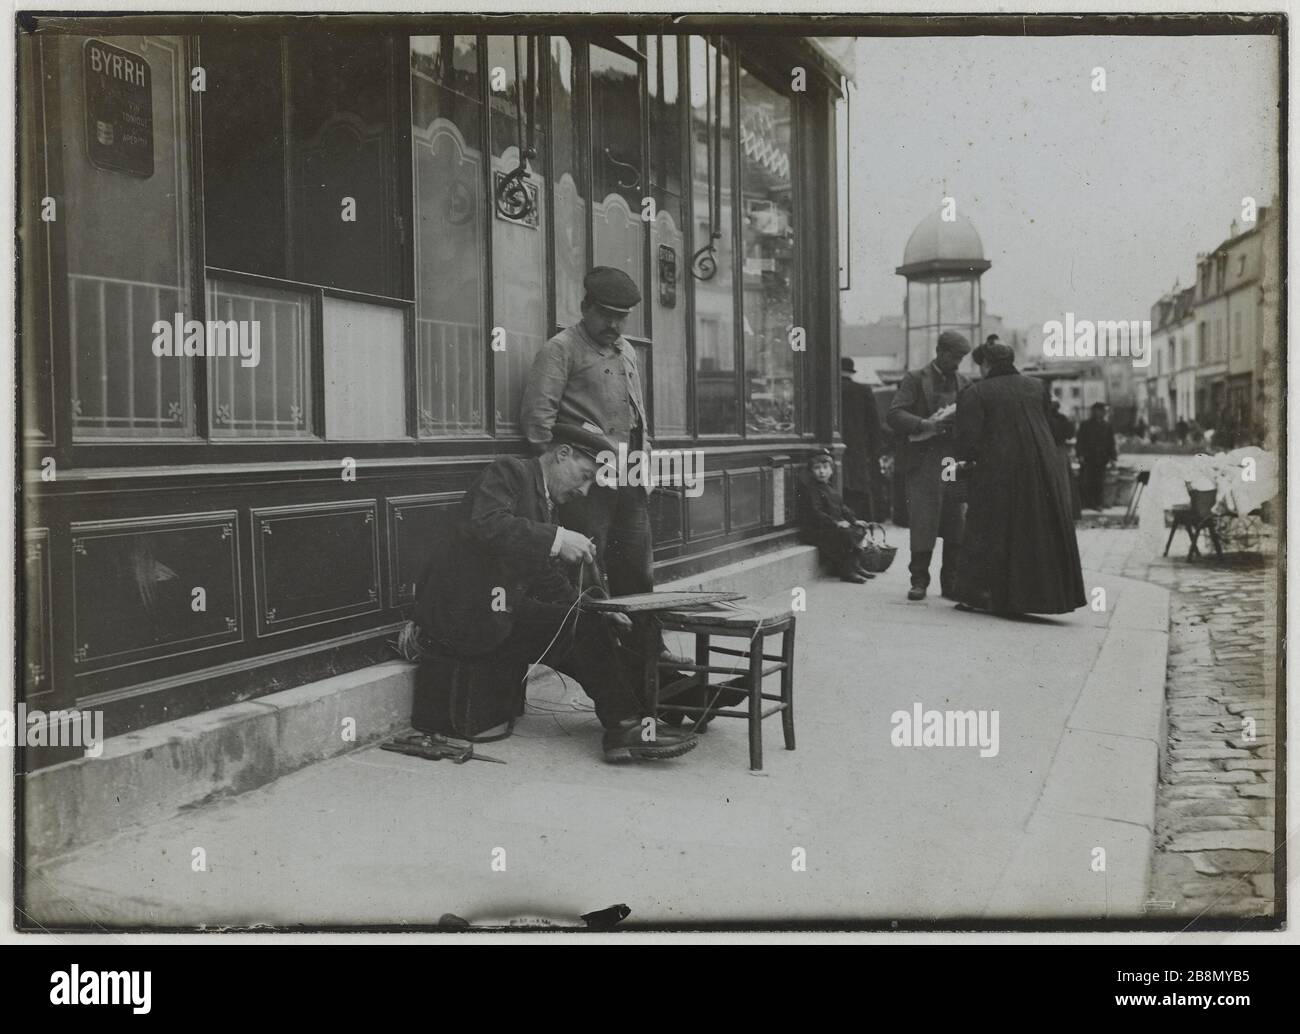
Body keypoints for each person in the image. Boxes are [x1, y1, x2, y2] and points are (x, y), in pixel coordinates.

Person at [411, 424, 697, 764]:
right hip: (464, 615)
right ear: (562, 455)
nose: (586, 490)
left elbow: (545, 576)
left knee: (596, 624)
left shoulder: (545, 502)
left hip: (499, 611)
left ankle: (683, 701)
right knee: (583, 629)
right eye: (586, 475)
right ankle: (625, 727)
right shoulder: (508, 471)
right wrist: (557, 539)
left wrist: (593, 607)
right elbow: (485, 524)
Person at [519, 266, 687, 665]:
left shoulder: (626, 350)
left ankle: (650, 654)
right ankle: (603, 658)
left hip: (628, 478)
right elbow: (536, 421)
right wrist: (562, 479)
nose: (614, 324)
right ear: (585, 307)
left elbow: (638, 416)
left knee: (637, 571)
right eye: (606, 314)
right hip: (585, 485)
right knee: (587, 574)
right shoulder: (561, 349)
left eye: (622, 316)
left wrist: (642, 466)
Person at [951, 341, 1086, 616]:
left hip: (998, 471)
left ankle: (986, 596)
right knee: (1036, 528)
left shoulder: (975, 392)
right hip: (1041, 469)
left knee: (991, 529)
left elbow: (967, 442)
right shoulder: (1036, 387)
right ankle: (1041, 597)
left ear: (985, 364)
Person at [887, 329, 972, 601]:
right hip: (924, 459)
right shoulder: (914, 378)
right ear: (940, 351)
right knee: (923, 520)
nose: (957, 362)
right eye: (954, 356)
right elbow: (894, 414)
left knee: (955, 520)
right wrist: (926, 424)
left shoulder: (965, 382)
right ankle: (919, 580)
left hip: (952, 459)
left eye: (961, 357)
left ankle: (952, 582)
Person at [796, 448, 875, 584]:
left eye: (825, 467)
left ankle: (855, 565)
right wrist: (836, 523)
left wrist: (854, 520)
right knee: (846, 534)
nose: (822, 471)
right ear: (811, 471)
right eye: (817, 468)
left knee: (859, 530)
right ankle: (847, 571)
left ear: (831, 470)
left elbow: (842, 507)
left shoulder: (830, 488)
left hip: (832, 526)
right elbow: (816, 512)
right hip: (818, 529)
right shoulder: (812, 490)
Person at [840, 357, 884, 521]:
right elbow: (874, 423)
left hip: (836, 446)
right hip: (859, 447)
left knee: (840, 483)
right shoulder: (863, 390)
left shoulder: (830, 389)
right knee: (860, 486)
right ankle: (862, 521)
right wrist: (875, 450)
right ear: (851, 372)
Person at [1075, 401, 1117, 510]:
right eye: (1099, 410)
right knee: (1086, 481)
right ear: (1094, 411)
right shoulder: (1085, 425)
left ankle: (1098, 503)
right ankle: (1086, 503)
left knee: (1099, 482)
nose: (1102, 413)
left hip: (1102, 458)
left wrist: (1113, 458)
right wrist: (1080, 455)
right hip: (1088, 458)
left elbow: (1111, 443)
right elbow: (1080, 441)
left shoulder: (1107, 426)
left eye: (1103, 411)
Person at [1048, 399, 1082, 519]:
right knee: (1064, 482)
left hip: (1051, 451)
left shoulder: (1045, 419)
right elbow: (1070, 434)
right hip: (1060, 452)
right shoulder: (1063, 419)